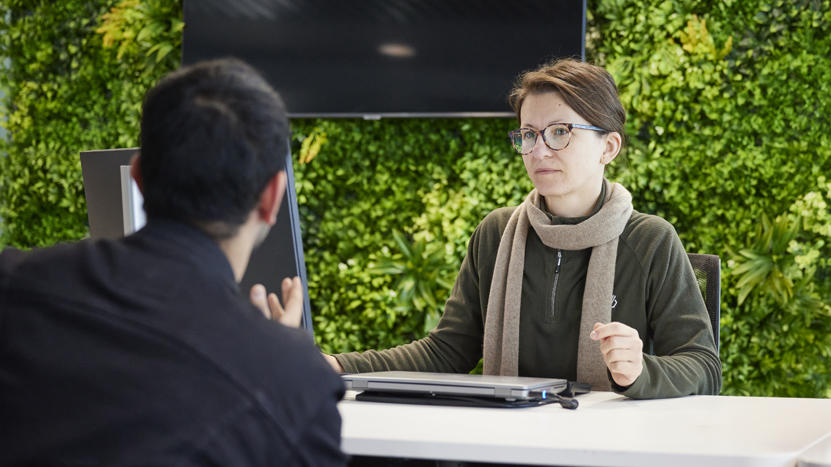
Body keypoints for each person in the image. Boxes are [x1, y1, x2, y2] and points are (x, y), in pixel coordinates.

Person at [0, 58, 346, 465]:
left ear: (138, 177)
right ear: (272, 198)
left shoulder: (13, 284)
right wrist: (279, 355)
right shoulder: (295, 382)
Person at [324, 59, 721, 399]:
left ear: (609, 147)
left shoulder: (650, 240)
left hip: (609, 449)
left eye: (560, 132)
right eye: (529, 134)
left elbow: (704, 367)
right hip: (508, 443)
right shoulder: (496, 234)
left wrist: (641, 371)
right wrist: (337, 365)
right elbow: (446, 352)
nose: (539, 150)